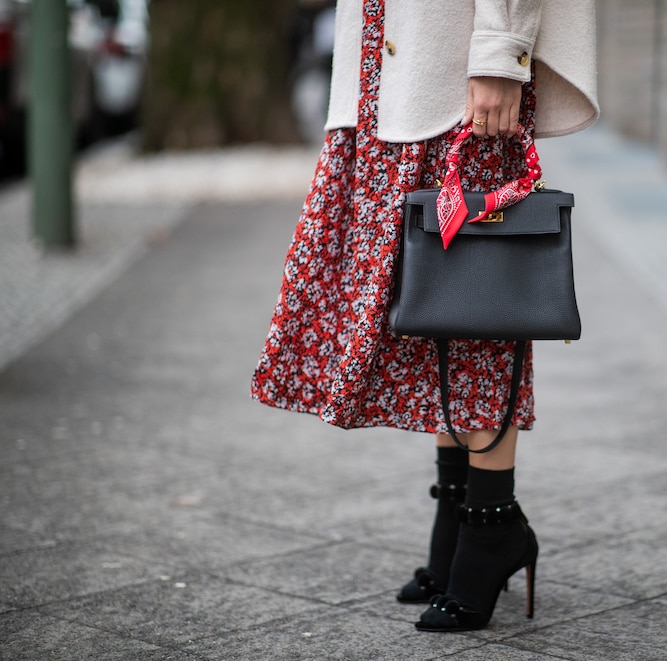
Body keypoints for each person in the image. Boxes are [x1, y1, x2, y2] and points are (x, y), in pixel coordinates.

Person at [250, 0, 597, 632]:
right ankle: (459, 519)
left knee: (478, 309)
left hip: (457, 80)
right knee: (435, 308)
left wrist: (501, 51)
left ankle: (492, 522)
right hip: (388, 86)